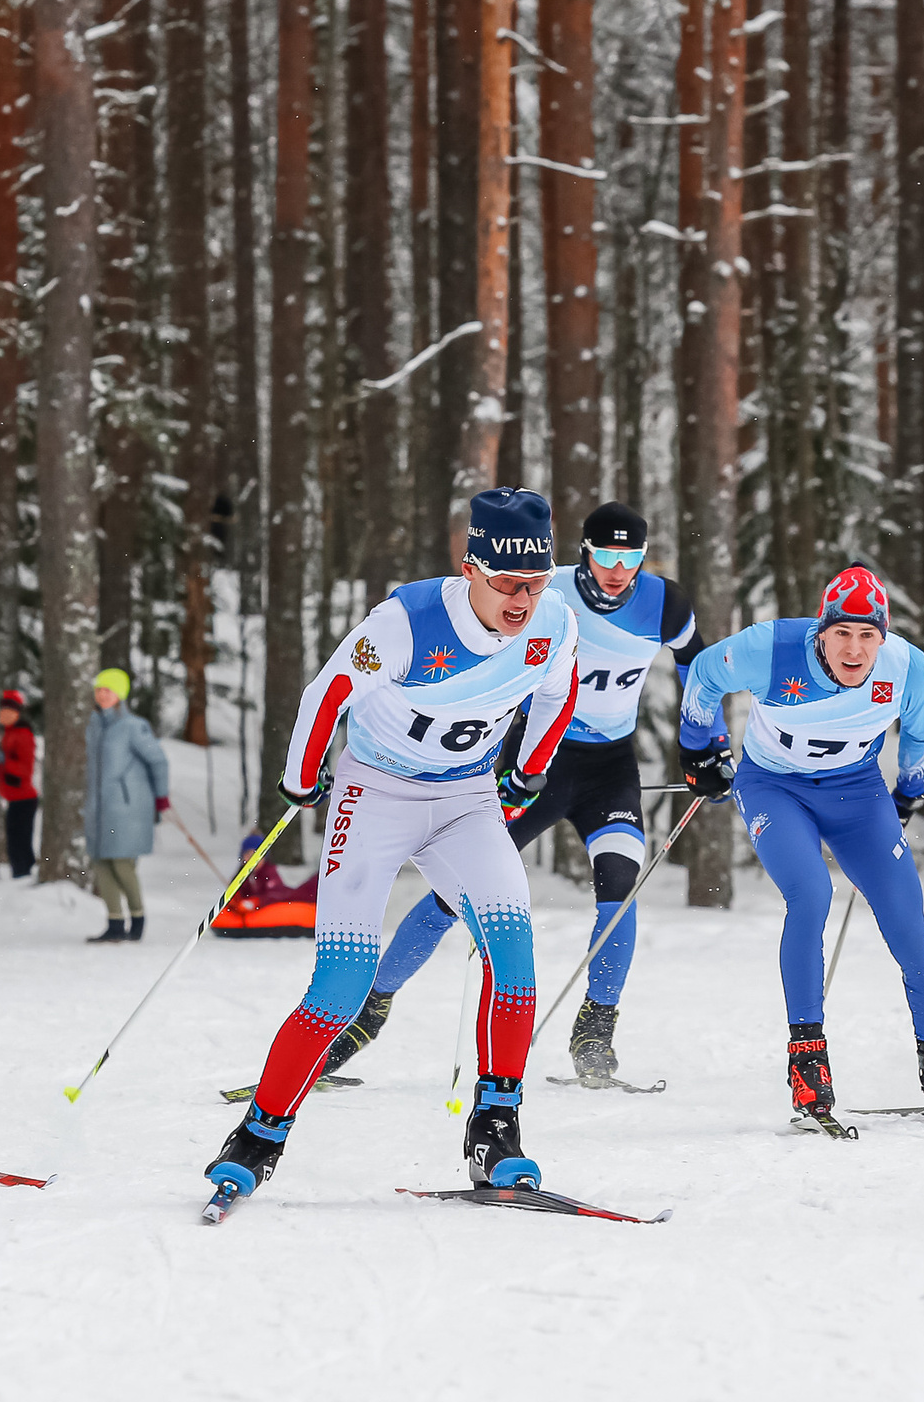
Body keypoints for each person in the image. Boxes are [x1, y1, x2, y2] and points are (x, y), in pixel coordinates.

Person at [204, 487, 581, 1206]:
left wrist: (531, 766)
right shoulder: (407, 621)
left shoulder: (555, 623)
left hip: (466, 797)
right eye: (506, 582)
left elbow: (559, 690)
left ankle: (495, 1129)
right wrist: (300, 776)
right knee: (341, 987)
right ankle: (258, 1135)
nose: (521, 600)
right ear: (470, 567)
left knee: (515, 956)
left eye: (534, 583)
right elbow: (328, 692)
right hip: (374, 794)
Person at [321, 501, 703, 1087]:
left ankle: (596, 1030)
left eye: (630, 556)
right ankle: (369, 1011)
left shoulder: (665, 602)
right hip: (536, 762)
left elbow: (699, 666)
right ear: (583, 553)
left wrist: (709, 746)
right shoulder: (547, 599)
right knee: (456, 897)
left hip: (611, 769)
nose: (617, 568)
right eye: (605, 554)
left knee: (620, 890)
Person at [676, 565, 924, 1132]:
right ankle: (806, 1059)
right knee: (811, 894)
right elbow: (704, 675)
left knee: (908, 921)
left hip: (857, 792)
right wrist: (697, 751)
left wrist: (910, 791)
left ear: (884, 636)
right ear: (820, 632)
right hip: (774, 787)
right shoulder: (772, 648)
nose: (854, 649)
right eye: (842, 633)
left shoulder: (906, 667)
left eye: (867, 635)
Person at [84, 667, 171, 943]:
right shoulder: (95, 725)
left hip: (128, 807)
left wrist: (161, 796)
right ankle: (114, 922)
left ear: (120, 694)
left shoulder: (134, 727)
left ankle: (138, 918)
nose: (101, 695)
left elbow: (158, 760)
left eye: (107, 690)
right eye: (98, 689)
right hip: (100, 807)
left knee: (122, 863)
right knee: (101, 862)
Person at [0, 689, 40, 878]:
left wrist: (4, 760)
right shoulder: (8, 733)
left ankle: (23, 873)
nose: (4, 714)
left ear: (18, 713)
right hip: (14, 797)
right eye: (2, 710)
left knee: (19, 839)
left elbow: (24, 769)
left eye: (10, 711)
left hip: (24, 797)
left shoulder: (23, 734)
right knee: (14, 838)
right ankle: (20, 872)